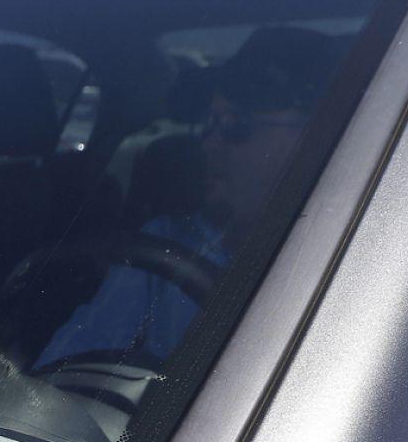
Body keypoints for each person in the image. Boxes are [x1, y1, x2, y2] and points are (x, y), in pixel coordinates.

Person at [34, 27, 335, 370]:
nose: (209, 144)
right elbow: (69, 366)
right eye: (209, 123)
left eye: (236, 125)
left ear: (316, 140)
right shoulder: (166, 244)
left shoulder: (349, 275)